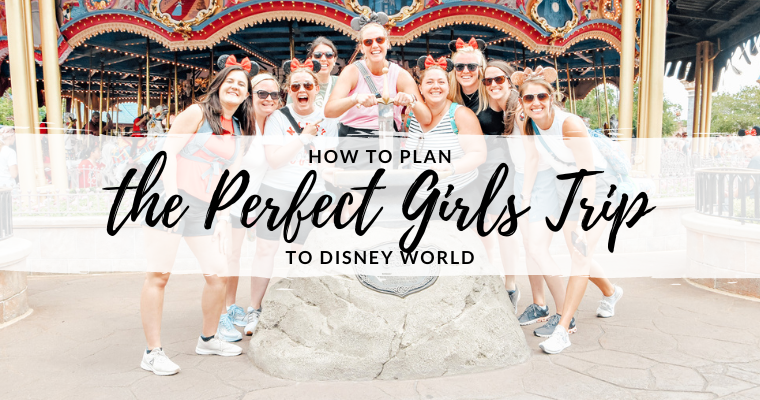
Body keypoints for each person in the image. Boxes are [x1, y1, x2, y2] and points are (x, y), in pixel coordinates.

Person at [138, 56, 256, 376]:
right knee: (159, 275)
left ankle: (208, 338)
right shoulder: (197, 112)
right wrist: (173, 195)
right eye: (229, 81)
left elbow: (228, 177)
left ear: (246, 95)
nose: (235, 86)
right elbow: (167, 153)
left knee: (217, 274)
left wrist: (220, 216)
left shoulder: (239, 129)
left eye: (241, 84)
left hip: (204, 206)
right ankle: (152, 351)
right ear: (218, 86)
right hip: (169, 197)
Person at [513, 66, 623, 354]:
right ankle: (611, 292)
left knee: (580, 251)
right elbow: (534, 159)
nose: (535, 103)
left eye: (541, 97)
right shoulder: (529, 123)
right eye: (528, 98)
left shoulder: (569, 124)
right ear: (522, 102)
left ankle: (563, 328)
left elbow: (588, 172)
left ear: (551, 97)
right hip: (567, 188)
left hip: (596, 188)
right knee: (577, 250)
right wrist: (525, 197)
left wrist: (587, 217)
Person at [249, 59, 338, 331]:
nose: (302, 89)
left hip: (311, 192)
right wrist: (303, 137)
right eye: (296, 85)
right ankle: (254, 307)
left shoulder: (328, 120)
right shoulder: (277, 117)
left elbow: (329, 161)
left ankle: (291, 304)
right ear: (289, 90)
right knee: (266, 248)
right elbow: (274, 160)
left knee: (298, 251)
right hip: (276, 189)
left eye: (307, 85)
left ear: (316, 90)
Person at [486, 60, 570, 337]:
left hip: (539, 182)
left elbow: (533, 155)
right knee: (530, 248)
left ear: (511, 82)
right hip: (525, 180)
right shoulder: (509, 109)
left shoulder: (521, 108)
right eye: (488, 81)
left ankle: (565, 315)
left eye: (499, 79)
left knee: (538, 250)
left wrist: (524, 195)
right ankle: (540, 305)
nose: (494, 85)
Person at [449, 39, 520, 309]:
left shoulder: (491, 91)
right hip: (468, 166)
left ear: (481, 68)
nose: (466, 70)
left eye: (472, 66)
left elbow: (515, 113)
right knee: (480, 227)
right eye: (460, 66)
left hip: (496, 164)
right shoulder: (453, 96)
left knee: (502, 225)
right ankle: (489, 277)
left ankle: (511, 285)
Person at [324, 12, 431, 172]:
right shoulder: (352, 72)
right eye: (368, 42)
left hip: (388, 141)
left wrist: (411, 100)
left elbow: (426, 118)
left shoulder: (400, 75)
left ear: (387, 43)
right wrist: (355, 99)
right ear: (361, 47)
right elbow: (329, 111)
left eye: (379, 40)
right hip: (354, 141)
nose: (374, 45)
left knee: (385, 193)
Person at [224, 73, 278, 336]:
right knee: (231, 256)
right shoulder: (240, 126)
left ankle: (250, 308)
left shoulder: (276, 125)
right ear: (250, 95)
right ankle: (226, 309)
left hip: (257, 202)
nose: (268, 99)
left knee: (260, 253)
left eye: (274, 94)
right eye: (262, 93)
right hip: (233, 202)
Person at [403, 56, 486, 209]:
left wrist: (451, 167)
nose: (436, 86)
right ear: (420, 87)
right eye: (429, 82)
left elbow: (478, 153)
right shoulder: (411, 115)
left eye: (441, 82)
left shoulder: (461, 115)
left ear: (448, 87)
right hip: (420, 196)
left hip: (460, 194)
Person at [288, 36, 339, 111]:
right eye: (318, 55)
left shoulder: (341, 82)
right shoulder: (299, 82)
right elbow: (290, 113)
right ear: (311, 58)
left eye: (329, 55)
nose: (323, 59)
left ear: (335, 59)